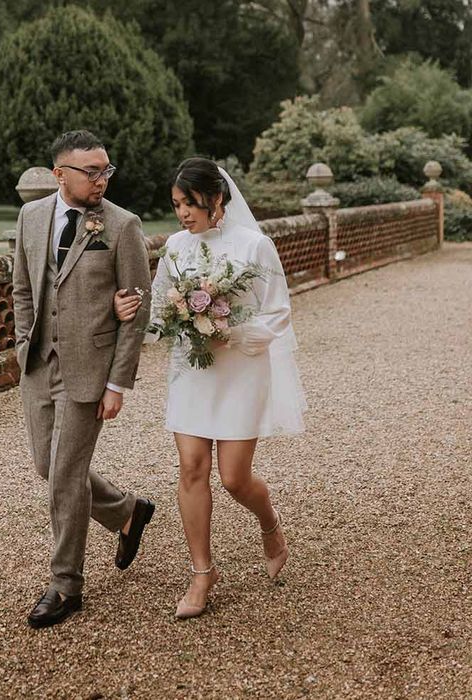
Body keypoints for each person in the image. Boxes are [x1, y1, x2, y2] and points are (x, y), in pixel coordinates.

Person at [114, 157, 306, 619]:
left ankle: (270, 525)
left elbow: (278, 311)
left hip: (241, 366)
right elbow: (159, 306)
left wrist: (230, 330)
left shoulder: (255, 246)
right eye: (177, 204)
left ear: (217, 198)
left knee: (234, 478)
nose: (183, 213)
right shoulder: (177, 247)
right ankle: (202, 573)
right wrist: (144, 310)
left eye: (191, 203)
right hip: (192, 370)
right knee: (191, 468)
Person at [12, 130, 155, 629]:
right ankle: (127, 512)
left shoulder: (122, 225)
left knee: (66, 477)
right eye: (91, 171)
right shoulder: (31, 217)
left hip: (89, 370)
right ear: (59, 174)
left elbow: (137, 309)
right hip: (37, 367)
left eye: (106, 170)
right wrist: (21, 344)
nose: (102, 179)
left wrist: (118, 383)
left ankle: (65, 584)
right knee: (46, 468)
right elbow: (22, 290)